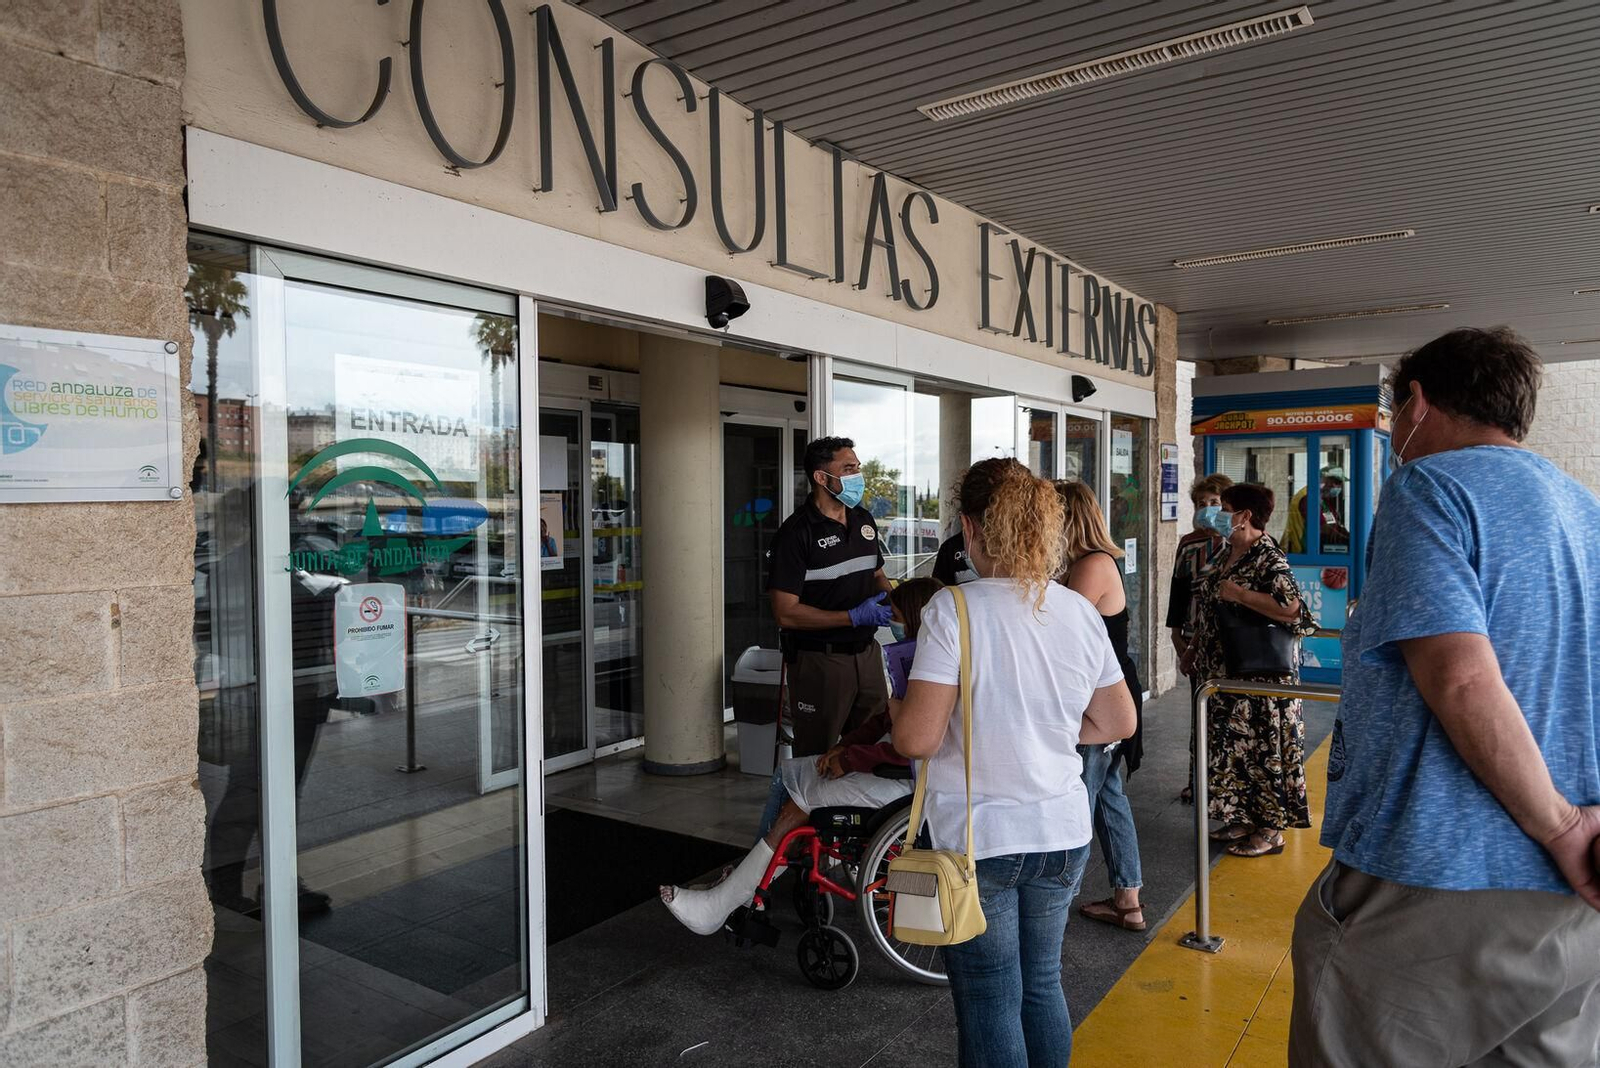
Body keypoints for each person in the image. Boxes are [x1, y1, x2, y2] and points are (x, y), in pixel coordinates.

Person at [1289, 327, 1600, 1067]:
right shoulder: (1585, 511)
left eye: (1395, 412)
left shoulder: (1431, 488)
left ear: (1418, 403)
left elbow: (1460, 677)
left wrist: (1557, 824)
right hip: (1571, 900)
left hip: (1436, 877)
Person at [892, 459, 1137, 1068]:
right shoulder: (1078, 610)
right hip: (1061, 832)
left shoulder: (953, 610)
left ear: (971, 528)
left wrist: (897, 699)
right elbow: (1117, 722)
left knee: (990, 999)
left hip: (979, 842)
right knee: (1042, 985)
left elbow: (916, 740)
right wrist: (1045, 728)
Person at [661, 579, 942, 936]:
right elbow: (881, 724)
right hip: (899, 773)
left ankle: (729, 899)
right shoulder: (918, 660)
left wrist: (851, 759)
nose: (891, 623)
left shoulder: (930, 672)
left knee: (800, 800)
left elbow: (910, 747)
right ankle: (747, 885)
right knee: (791, 772)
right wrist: (842, 748)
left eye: (897, 616)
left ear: (917, 621)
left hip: (910, 783)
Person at [1183, 483, 1314, 858]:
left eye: (1224, 508)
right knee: (1233, 750)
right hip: (1224, 674)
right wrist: (1193, 647)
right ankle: (1241, 817)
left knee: (1263, 751)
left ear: (1244, 516)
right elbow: (1210, 610)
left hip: (1259, 679)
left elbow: (1294, 610)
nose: (1218, 514)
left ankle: (1271, 831)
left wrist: (1240, 595)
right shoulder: (1228, 551)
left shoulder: (1267, 557)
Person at [1055, 480, 1147, 933]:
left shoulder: (1092, 565)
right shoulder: (1085, 563)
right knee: (1109, 797)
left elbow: (1055, 624)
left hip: (1101, 700)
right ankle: (1128, 899)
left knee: (1081, 800)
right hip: (1102, 693)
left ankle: (1057, 904)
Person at [766, 436, 894, 758]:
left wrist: (899, 609)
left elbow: (877, 575)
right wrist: (851, 617)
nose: (858, 476)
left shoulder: (863, 520)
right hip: (820, 662)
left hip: (867, 656)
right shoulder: (796, 534)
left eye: (857, 468)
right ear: (822, 478)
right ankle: (807, 809)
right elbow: (785, 612)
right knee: (817, 754)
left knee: (871, 749)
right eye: (848, 469)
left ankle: (858, 811)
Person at [1168, 473, 1233, 804]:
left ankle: (1226, 784)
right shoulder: (1188, 543)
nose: (1207, 510)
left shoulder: (1239, 544)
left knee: (1229, 717)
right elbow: (1177, 593)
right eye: (1201, 504)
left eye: (1214, 503)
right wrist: (1177, 637)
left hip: (1231, 644)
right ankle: (1197, 780)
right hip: (1195, 640)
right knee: (1200, 713)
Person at [1280, 471, 1351, 555]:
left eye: (1340, 484)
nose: (1338, 487)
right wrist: (1347, 540)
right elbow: (1323, 527)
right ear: (1324, 480)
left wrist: (1345, 534)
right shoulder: (1307, 497)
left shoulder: (1321, 499)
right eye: (1336, 483)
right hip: (1301, 552)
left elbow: (1331, 523)